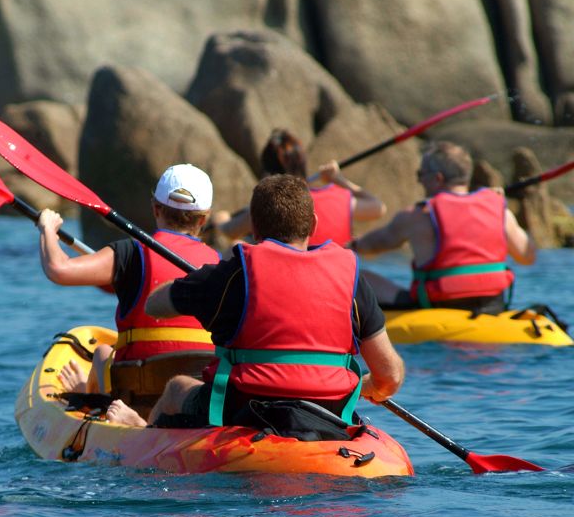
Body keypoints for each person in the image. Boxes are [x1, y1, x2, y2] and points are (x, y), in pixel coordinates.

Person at [105, 174, 405, 429]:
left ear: (255, 229)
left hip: (244, 413)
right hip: (327, 415)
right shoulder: (352, 280)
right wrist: (364, 388)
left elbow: (154, 305)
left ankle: (142, 430)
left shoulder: (232, 274)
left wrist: (199, 281)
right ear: (313, 224)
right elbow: (390, 376)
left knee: (176, 388)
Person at [37, 164, 220, 397]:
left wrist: (48, 229)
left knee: (103, 354)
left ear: (155, 209)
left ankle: (88, 391)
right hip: (196, 394)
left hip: (136, 395)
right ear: (204, 218)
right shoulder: (219, 264)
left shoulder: (131, 254)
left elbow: (58, 269)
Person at [350, 141, 536, 312]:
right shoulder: (501, 211)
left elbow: (370, 246)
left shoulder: (417, 215)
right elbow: (527, 257)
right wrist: (497, 207)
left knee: (356, 278)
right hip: (493, 305)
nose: (419, 181)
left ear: (438, 179)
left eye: (420, 175)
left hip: (436, 304)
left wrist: (349, 245)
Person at [212, 129, 385, 249]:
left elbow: (229, 231)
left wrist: (221, 219)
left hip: (291, 284)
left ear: (267, 173)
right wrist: (338, 179)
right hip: (333, 285)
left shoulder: (269, 204)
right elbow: (378, 208)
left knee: (236, 247)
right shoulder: (338, 200)